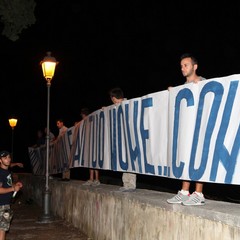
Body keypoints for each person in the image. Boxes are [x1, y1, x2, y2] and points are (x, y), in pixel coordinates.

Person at [167, 53, 206, 206]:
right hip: (186, 131)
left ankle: (199, 193)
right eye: (181, 66)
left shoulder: (203, 83)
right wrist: (172, 94)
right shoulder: (182, 88)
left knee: (198, 159)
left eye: (186, 65)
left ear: (195, 67)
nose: (182, 68)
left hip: (199, 129)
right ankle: (184, 192)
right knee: (185, 158)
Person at [108, 87, 137, 192]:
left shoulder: (128, 104)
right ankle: (126, 183)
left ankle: (131, 184)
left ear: (114, 98)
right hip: (122, 139)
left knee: (130, 161)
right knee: (124, 160)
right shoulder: (116, 106)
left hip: (129, 138)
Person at [0, 150, 23, 240]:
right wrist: (13, 189)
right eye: (5, 158)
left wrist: (15, 185)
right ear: (0, 160)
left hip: (5, 204)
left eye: (9, 157)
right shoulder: (1, 172)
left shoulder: (7, 172)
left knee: (2, 230)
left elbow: (8, 185)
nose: (8, 159)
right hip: (1, 205)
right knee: (2, 230)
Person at [81, 108, 100, 186]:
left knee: (95, 162)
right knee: (90, 162)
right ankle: (91, 179)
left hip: (94, 143)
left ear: (84, 115)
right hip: (89, 144)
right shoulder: (85, 122)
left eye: (82, 115)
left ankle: (97, 179)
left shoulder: (92, 119)